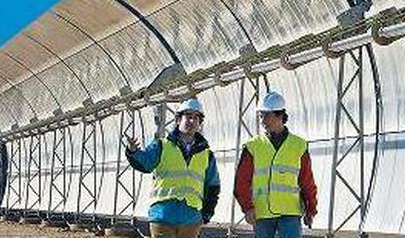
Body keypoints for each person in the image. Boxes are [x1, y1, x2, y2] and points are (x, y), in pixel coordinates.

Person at [125, 98, 219, 238]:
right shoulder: (162, 146)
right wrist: (133, 152)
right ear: (178, 120)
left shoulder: (207, 155)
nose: (192, 121)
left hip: (191, 220)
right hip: (163, 217)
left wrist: (205, 215)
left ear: (200, 123)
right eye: (188, 116)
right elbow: (145, 163)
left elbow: (213, 186)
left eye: (196, 118)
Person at [234, 91, 317, 238]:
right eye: (260, 116)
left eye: (266, 115)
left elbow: (307, 180)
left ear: (280, 115)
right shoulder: (253, 146)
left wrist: (311, 208)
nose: (262, 120)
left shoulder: (299, 145)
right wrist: (247, 208)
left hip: (290, 212)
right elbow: (241, 181)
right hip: (261, 212)